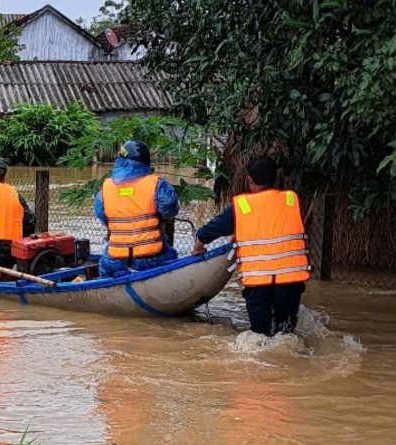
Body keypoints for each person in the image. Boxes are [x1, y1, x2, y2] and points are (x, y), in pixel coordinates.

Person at [192, 156, 310, 336]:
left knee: (259, 336)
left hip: (258, 283)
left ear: (249, 179)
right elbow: (274, 226)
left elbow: (210, 231)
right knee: (286, 333)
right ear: (275, 178)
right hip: (290, 281)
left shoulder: (242, 206)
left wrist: (199, 245)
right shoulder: (291, 200)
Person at [94, 140, 179, 277]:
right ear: (145, 161)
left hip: (116, 259)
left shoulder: (106, 187)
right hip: (151, 258)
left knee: (104, 264)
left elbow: (101, 214)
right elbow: (170, 207)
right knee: (171, 255)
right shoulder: (156, 184)